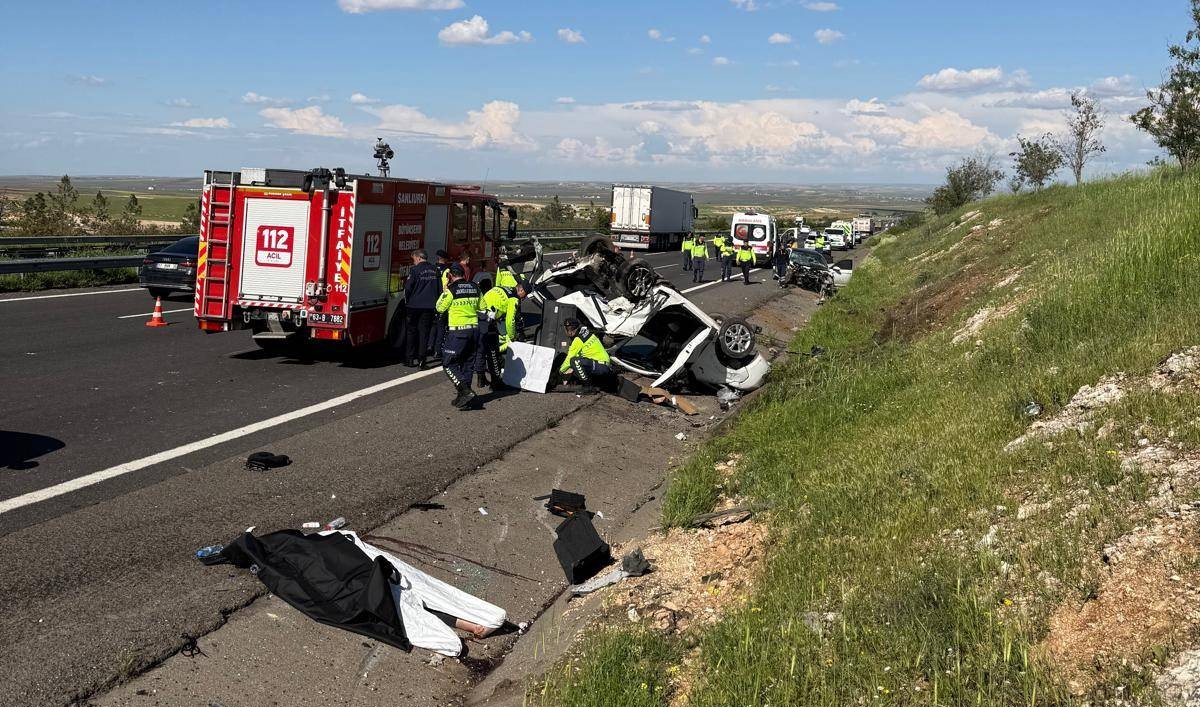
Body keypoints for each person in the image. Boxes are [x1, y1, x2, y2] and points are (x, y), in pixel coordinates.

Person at [436, 264, 482, 409]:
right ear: (464, 274)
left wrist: (444, 287)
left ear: (450, 276)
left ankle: (465, 391)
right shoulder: (475, 287)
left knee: (448, 363)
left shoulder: (451, 290)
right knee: (467, 364)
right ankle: (464, 398)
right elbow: (482, 306)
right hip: (474, 331)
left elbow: (439, 307)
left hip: (458, 333)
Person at [477, 279, 529, 389]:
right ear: (521, 290)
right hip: (488, 320)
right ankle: (496, 382)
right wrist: (512, 336)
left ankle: (481, 378)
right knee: (493, 352)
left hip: (479, 315)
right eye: (525, 294)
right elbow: (510, 321)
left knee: (481, 350)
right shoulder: (514, 299)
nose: (524, 298)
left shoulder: (503, 287)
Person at [402, 249, 439, 368]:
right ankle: (422, 361)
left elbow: (408, 288)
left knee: (411, 332)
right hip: (429, 307)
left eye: (414, 260)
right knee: (424, 333)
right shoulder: (435, 270)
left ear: (418, 258)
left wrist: (408, 300)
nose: (414, 262)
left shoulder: (415, 270)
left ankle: (409, 359)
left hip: (414, 306)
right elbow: (439, 289)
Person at [558, 317, 612, 393]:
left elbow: (569, 359)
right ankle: (592, 383)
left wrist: (560, 371)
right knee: (576, 362)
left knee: (574, 361)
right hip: (603, 365)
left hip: (601, 366)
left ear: (569, 331)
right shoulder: (587, 333)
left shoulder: (578, 340)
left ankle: (588, 387)